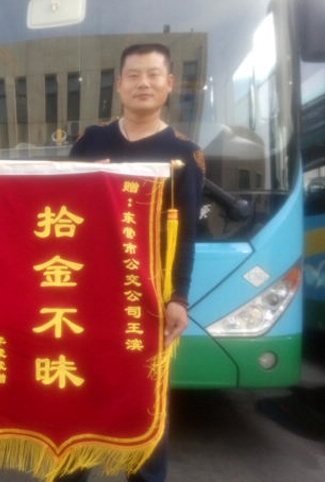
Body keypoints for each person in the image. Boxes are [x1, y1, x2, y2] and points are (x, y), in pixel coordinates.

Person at [58, 43, 205, 482]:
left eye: (154, 74)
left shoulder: (185, 154)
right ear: (119, 85)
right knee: (78, 389)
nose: (144, 83)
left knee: (144, 398)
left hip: (147, 295)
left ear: (169, 83)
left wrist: (179, 297)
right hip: (85, 291)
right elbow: (57, 206)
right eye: (134, 75)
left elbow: (186, 235)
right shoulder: (91, 141)